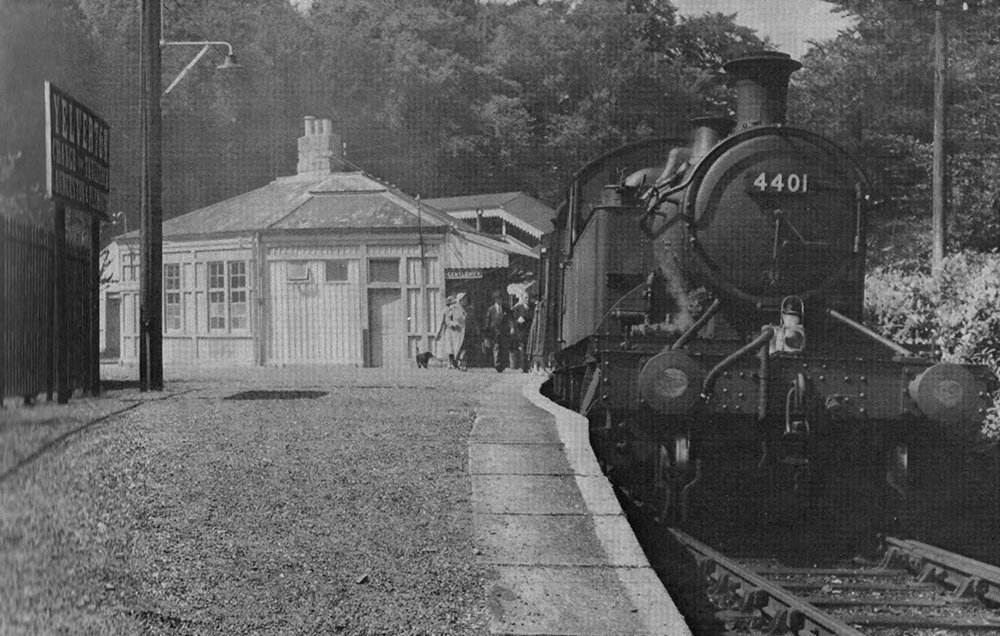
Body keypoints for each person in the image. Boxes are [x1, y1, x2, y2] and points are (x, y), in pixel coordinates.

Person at [435, 294, 466, 370]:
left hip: (455, 331)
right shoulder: (446, 310)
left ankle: (455, 363)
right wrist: (439, 332)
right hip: (448, 331)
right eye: (452, 303)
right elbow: (443, 322)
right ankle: (450, 363)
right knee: (450, 348)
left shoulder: (456, 309)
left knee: (454, 347)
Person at [483, 291, 510, 372]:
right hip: (494, 331)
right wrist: (487, 332)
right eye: (498, 299)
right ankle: (497, 364)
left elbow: (509, 319)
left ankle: (502, 365)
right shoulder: (491, 309)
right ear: (495, 300)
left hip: (503, 332)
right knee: (496, 348)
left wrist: (511, 328)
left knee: (503, 348)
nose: (500, 300)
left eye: (501, 299)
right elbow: (488, 321)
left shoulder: (505, 308)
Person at [509, 295, 533, 372]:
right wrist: (518, 320)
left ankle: (530, 366)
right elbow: (513, 318)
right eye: (526, 298)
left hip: (530, 331)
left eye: (528, 297)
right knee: (523, 348)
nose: (528, 299)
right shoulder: (518, 308)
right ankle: (524, 367)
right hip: (521, 331)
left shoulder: (532, 307)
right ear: (522, 299)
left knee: (529, 348)